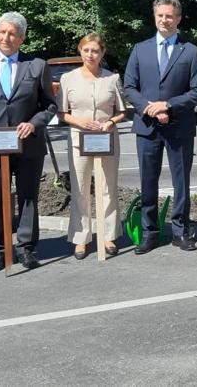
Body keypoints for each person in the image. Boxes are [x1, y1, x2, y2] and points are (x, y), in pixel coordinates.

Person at [0, 12, 58, 272]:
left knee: (28, 197)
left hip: (27, 145)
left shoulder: (37, 65)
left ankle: (27, 248)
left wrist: (34, 123)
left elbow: (50, 105)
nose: (7, 37)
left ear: (22, 38)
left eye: (13, 33)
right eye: (3, 32)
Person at [123, 0, 197, 254]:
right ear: (154, 16)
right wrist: (150, 107)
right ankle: (150, 233)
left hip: (178, 127)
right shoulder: (140, 49)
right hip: (147, 127)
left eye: (169, 16)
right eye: (160, 15)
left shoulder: (190, 51)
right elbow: (129, 87)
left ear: (178, 19)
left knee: (182, 182)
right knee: (148, 181)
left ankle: (181, 231)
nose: (164, 20)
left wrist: (168, 105)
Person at [58, 33, 126, 260]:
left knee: (108, 187)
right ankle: (80, 237)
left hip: (106, 139)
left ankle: (109, 235)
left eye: (95, 51)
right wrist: (80, 122)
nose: (90, 55)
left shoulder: (112, 78)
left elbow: (122, 111)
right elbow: (62, 113)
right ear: (80, 51)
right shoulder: (68, 78)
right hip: (79, 139)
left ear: (102, 53)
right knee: (80, 188)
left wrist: (110, 122)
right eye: (86, 50)